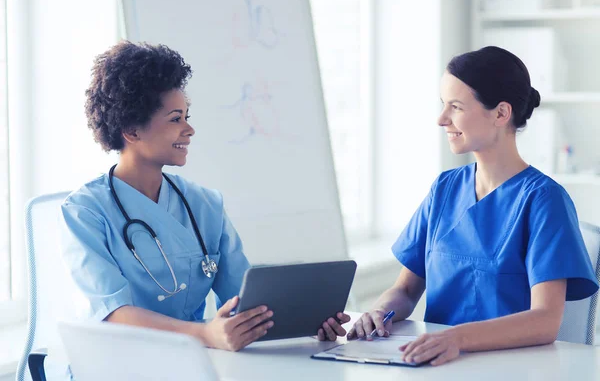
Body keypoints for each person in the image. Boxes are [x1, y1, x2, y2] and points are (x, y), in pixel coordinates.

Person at [60, 41, 348, 353]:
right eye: (175, 119)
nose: (190, 129)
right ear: (132, 130)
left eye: (187, 116)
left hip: (192, 363)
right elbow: (112, 314)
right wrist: (204, 335)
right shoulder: (84, 212)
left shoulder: (205, 205)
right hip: (116, 365)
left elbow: (242, 299)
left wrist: (306, 321)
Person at [347, 46, 599, 366]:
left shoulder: (543, 200)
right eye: (443, 105)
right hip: (437, 363)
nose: (441, 119)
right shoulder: (444, 189)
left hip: (512, 368)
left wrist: (458, 338)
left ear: (500, 113)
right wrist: (380, 311)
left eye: (455, 106)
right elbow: (406, 290)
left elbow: (545, 320)